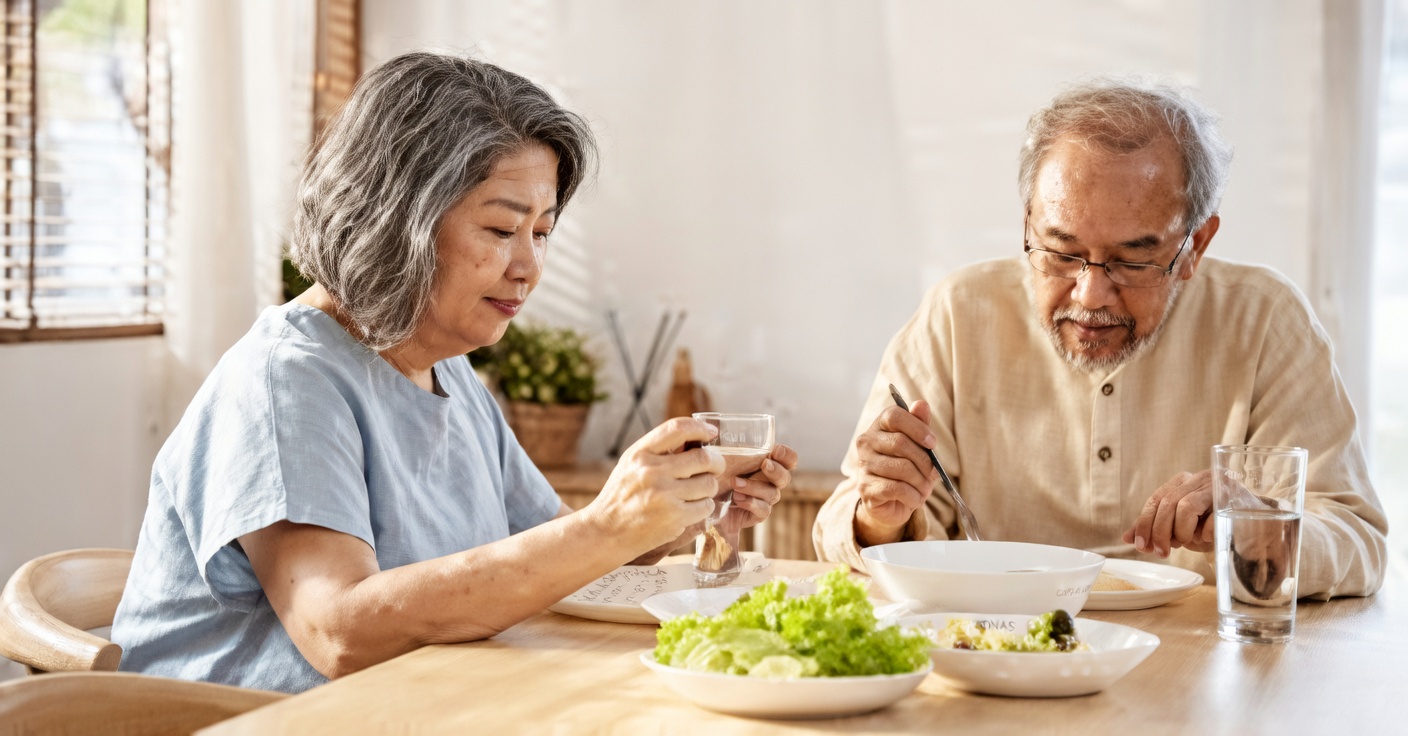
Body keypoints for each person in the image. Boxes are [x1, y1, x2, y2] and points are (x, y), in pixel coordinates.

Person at [111, 51, 797, 694]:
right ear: (393, 220)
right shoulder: (285, 381)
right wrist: (605, 529)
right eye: (501, 230)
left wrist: (667, 513)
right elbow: (337, 632)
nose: (528, 266)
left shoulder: (445, 370)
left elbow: (550, 554)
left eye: (544, 231)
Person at [813, 78, 1388, 599]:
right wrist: (880, 515)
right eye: (1062, 251)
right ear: (1026, 223)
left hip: (1201, 676)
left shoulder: (1264, 319)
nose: (1089, 295)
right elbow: (846, 524)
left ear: (1196, 245)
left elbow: (1360, 542)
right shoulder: (960, 313)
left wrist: (1258, 524)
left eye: (1132, 261)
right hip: (996, 654)